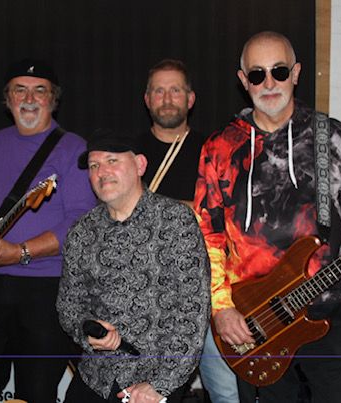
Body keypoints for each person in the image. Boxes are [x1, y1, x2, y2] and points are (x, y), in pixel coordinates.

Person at [193, 31, 341, 402]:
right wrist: (221, 308)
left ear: (296, 73)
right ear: (243, 80)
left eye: (279, 71)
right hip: (257, 323)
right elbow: (208, 236)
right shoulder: (219, 148)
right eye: (257, 74)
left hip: (326, 309)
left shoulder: (332, 136)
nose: (269, 83)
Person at [0, 59, 96, 403]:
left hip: (44, 290)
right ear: (7, 98)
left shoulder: (74, 149)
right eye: (20, 90)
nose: (29, 98)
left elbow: (79, 223)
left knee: (35, 393)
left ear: (53, 99)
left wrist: (19, 252)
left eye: (39, 90)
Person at [57, 129, 210, 403]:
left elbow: (193, 310)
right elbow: (69, 305)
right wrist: (87, 330)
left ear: (140, 165)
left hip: (155, 377)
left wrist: (161, 386)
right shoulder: (82, 231)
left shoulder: (175, 221)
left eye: (112, 161)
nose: (102, 172)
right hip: (97, 377)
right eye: (94, 165)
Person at [141, 59, 239, 403]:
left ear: (191, 98)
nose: (167, 99)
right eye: (159, 91)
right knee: (150, 391)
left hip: (207, 288)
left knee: (226, 390)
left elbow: (227, 220)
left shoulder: (215, 151)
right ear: (147, 99)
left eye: (176, 90)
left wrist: (158, 208)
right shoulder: (126, 154)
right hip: (148, 294)